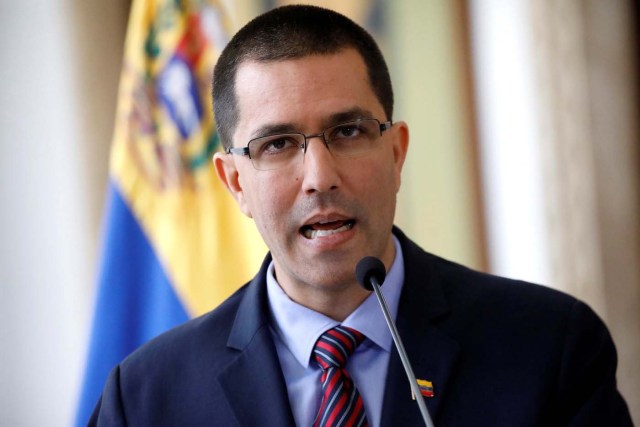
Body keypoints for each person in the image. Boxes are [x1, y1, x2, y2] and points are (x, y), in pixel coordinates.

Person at [89, 5, 632, 426]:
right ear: (236, 182)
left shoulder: (548, 348)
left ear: (395, 154)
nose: (319, 176)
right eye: (278, 144)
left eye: (347, 132)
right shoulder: (145, 398)